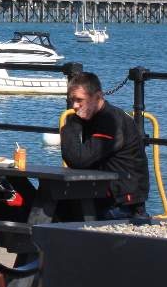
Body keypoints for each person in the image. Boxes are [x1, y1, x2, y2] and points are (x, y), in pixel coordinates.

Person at [61, 72, 150, 220]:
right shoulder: (92, 116)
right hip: (102, 194)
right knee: (48, 206)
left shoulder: (110, 121)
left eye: (79, 100)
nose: (74, 106)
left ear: (97, 96)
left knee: (58, 214)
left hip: (123, 203)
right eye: (72, 100)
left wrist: (71, 125)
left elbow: (78, 159)